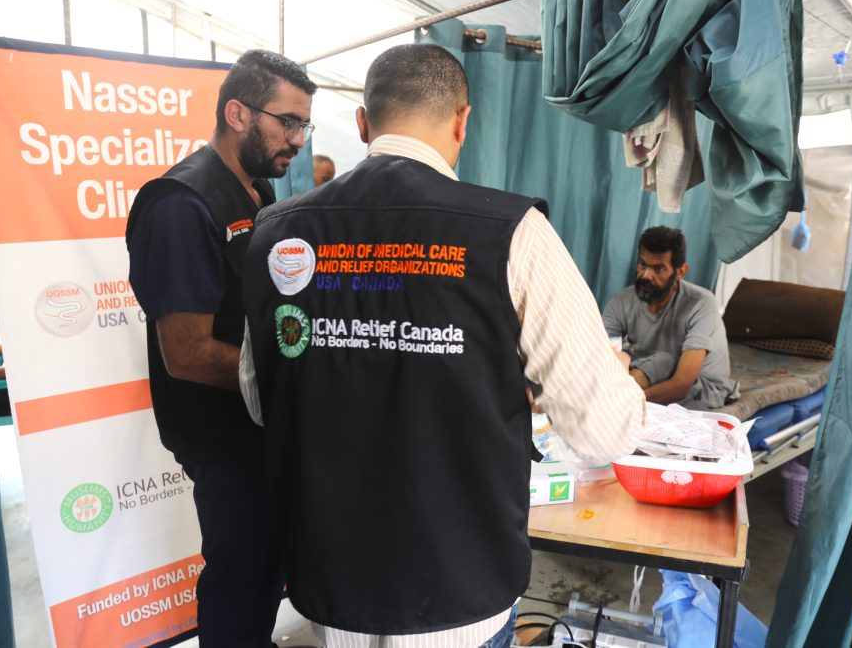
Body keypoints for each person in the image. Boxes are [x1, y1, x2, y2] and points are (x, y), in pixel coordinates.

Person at [239, 44, 645, 648]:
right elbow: (603, 430)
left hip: (332, 579)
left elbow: (259, 400)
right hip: (461, 586)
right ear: (462, 122)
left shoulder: (276, 233)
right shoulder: (512, 233)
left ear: (363, 124)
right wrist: (617, 377)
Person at [126, 49, 317, 648]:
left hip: (267, 434)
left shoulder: (258, 192)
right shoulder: (181, 204)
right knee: (240, 582)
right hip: (227, 445)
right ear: (238, 113)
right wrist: (297, 379)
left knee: (264, 577)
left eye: (304, 125)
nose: (298, 140)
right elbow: (186, 353)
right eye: (288, 122)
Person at [602, 225, 738, 410]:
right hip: (645, 373)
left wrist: (624, 402)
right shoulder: (622, 300)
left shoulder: (701, 303)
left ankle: (614, 398)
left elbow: (682, 384)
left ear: (680, 272)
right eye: (642, 264)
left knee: (663, 361)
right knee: (621, 361)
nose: (646, 275)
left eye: (658, 269)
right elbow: (601, 354)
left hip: (700, 388)